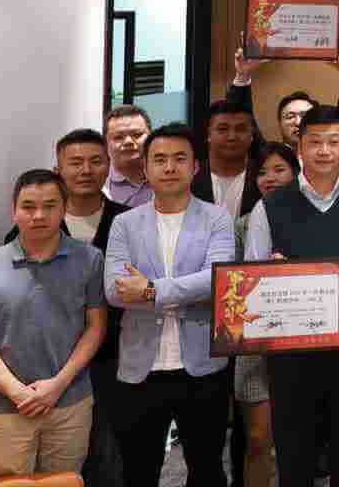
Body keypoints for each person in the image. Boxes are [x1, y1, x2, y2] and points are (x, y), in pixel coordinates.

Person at [242, 105, 339, 487]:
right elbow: (248, 281)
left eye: (333, 142)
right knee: (294, 455)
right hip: (290, 354)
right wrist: (268, 278)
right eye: (314, 142)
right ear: (299, 147)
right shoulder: (269, 206)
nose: (324, 151)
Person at [103, 123, 236, 487]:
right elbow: (114, 290)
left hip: (203, 367)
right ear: (145, 168)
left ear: (195, 167)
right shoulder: (124, 224)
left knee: (207, 470)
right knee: (139, 471)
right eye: (159, 159)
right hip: (141, 367)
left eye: (180, 158)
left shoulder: (217, 218)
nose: (169, 167)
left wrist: (150, 291)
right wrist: (185, 290)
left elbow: (217, 281)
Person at [0, 130, 129, 487]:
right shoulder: (27, 230)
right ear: (58, 169)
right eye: (75, 162)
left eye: (95, 161)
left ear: (109, 166)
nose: (86, 170)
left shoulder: (130, 220)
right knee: (50, 466)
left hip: (115, 360)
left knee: (108, 456)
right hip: (48, 367)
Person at [0, 170, 107, 479]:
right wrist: (18, 393)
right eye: (28, 206)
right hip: (6, 408)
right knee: (7, 484)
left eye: (49, 205)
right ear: (14, 210)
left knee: (64, 481)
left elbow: (95, 327)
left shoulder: (90, 260)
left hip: (70, 403)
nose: (38, 215)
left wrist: (57, 385)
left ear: (64, 208)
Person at [232, 143, 297, 487]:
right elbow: (229, 286)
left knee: (297, 439)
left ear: (296, 173)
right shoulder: (241, 225)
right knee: (258, 439)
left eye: (278, 170)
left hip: (304, 340)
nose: (269, 178)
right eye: (261, 172)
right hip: (256, 344)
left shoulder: (312, 219)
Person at [229, 39, 339, 170]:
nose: (298, 122)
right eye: (290, 116)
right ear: (280, 124)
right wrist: (242, 76)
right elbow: (240, 120)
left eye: (305, 116)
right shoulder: (264, 158)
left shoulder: (331, 156)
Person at [191, 98, 262, 221]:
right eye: (222, 129)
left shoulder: (265, 178)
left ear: (252, 136)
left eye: (240, 129)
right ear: (208, 134)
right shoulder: (190, 178)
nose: (232, 137)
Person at [103, 105, 153, 206]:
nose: (128, 142)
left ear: (151, 137)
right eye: (118, 137)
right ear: (106, 143)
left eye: (137, 135)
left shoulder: (171, 175)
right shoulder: (97, 182)